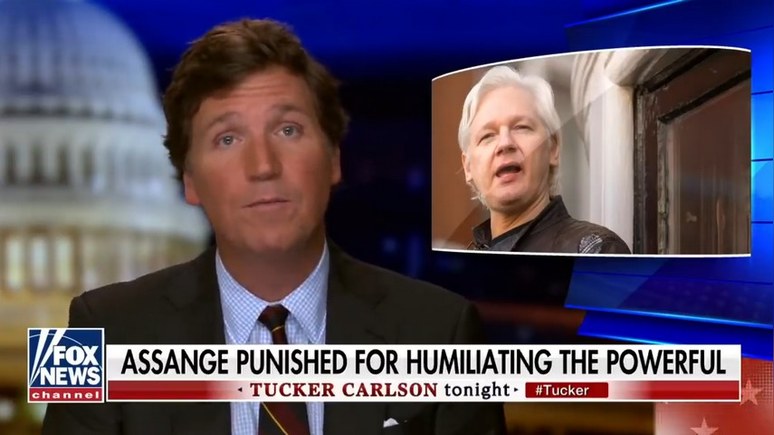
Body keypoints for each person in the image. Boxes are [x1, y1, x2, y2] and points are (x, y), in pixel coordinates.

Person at [42, 19, 505, 435]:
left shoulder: (442, 332)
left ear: (333, 158)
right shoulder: (96, 332)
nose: (263, 166)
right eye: (227, 138)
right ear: (190, 181)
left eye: (287, 130)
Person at [458, 66, 630, 254]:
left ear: (553, 148)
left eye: (521, 127)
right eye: (488, 136)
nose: (505, 143)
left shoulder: (594, 251)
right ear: (468, 167)